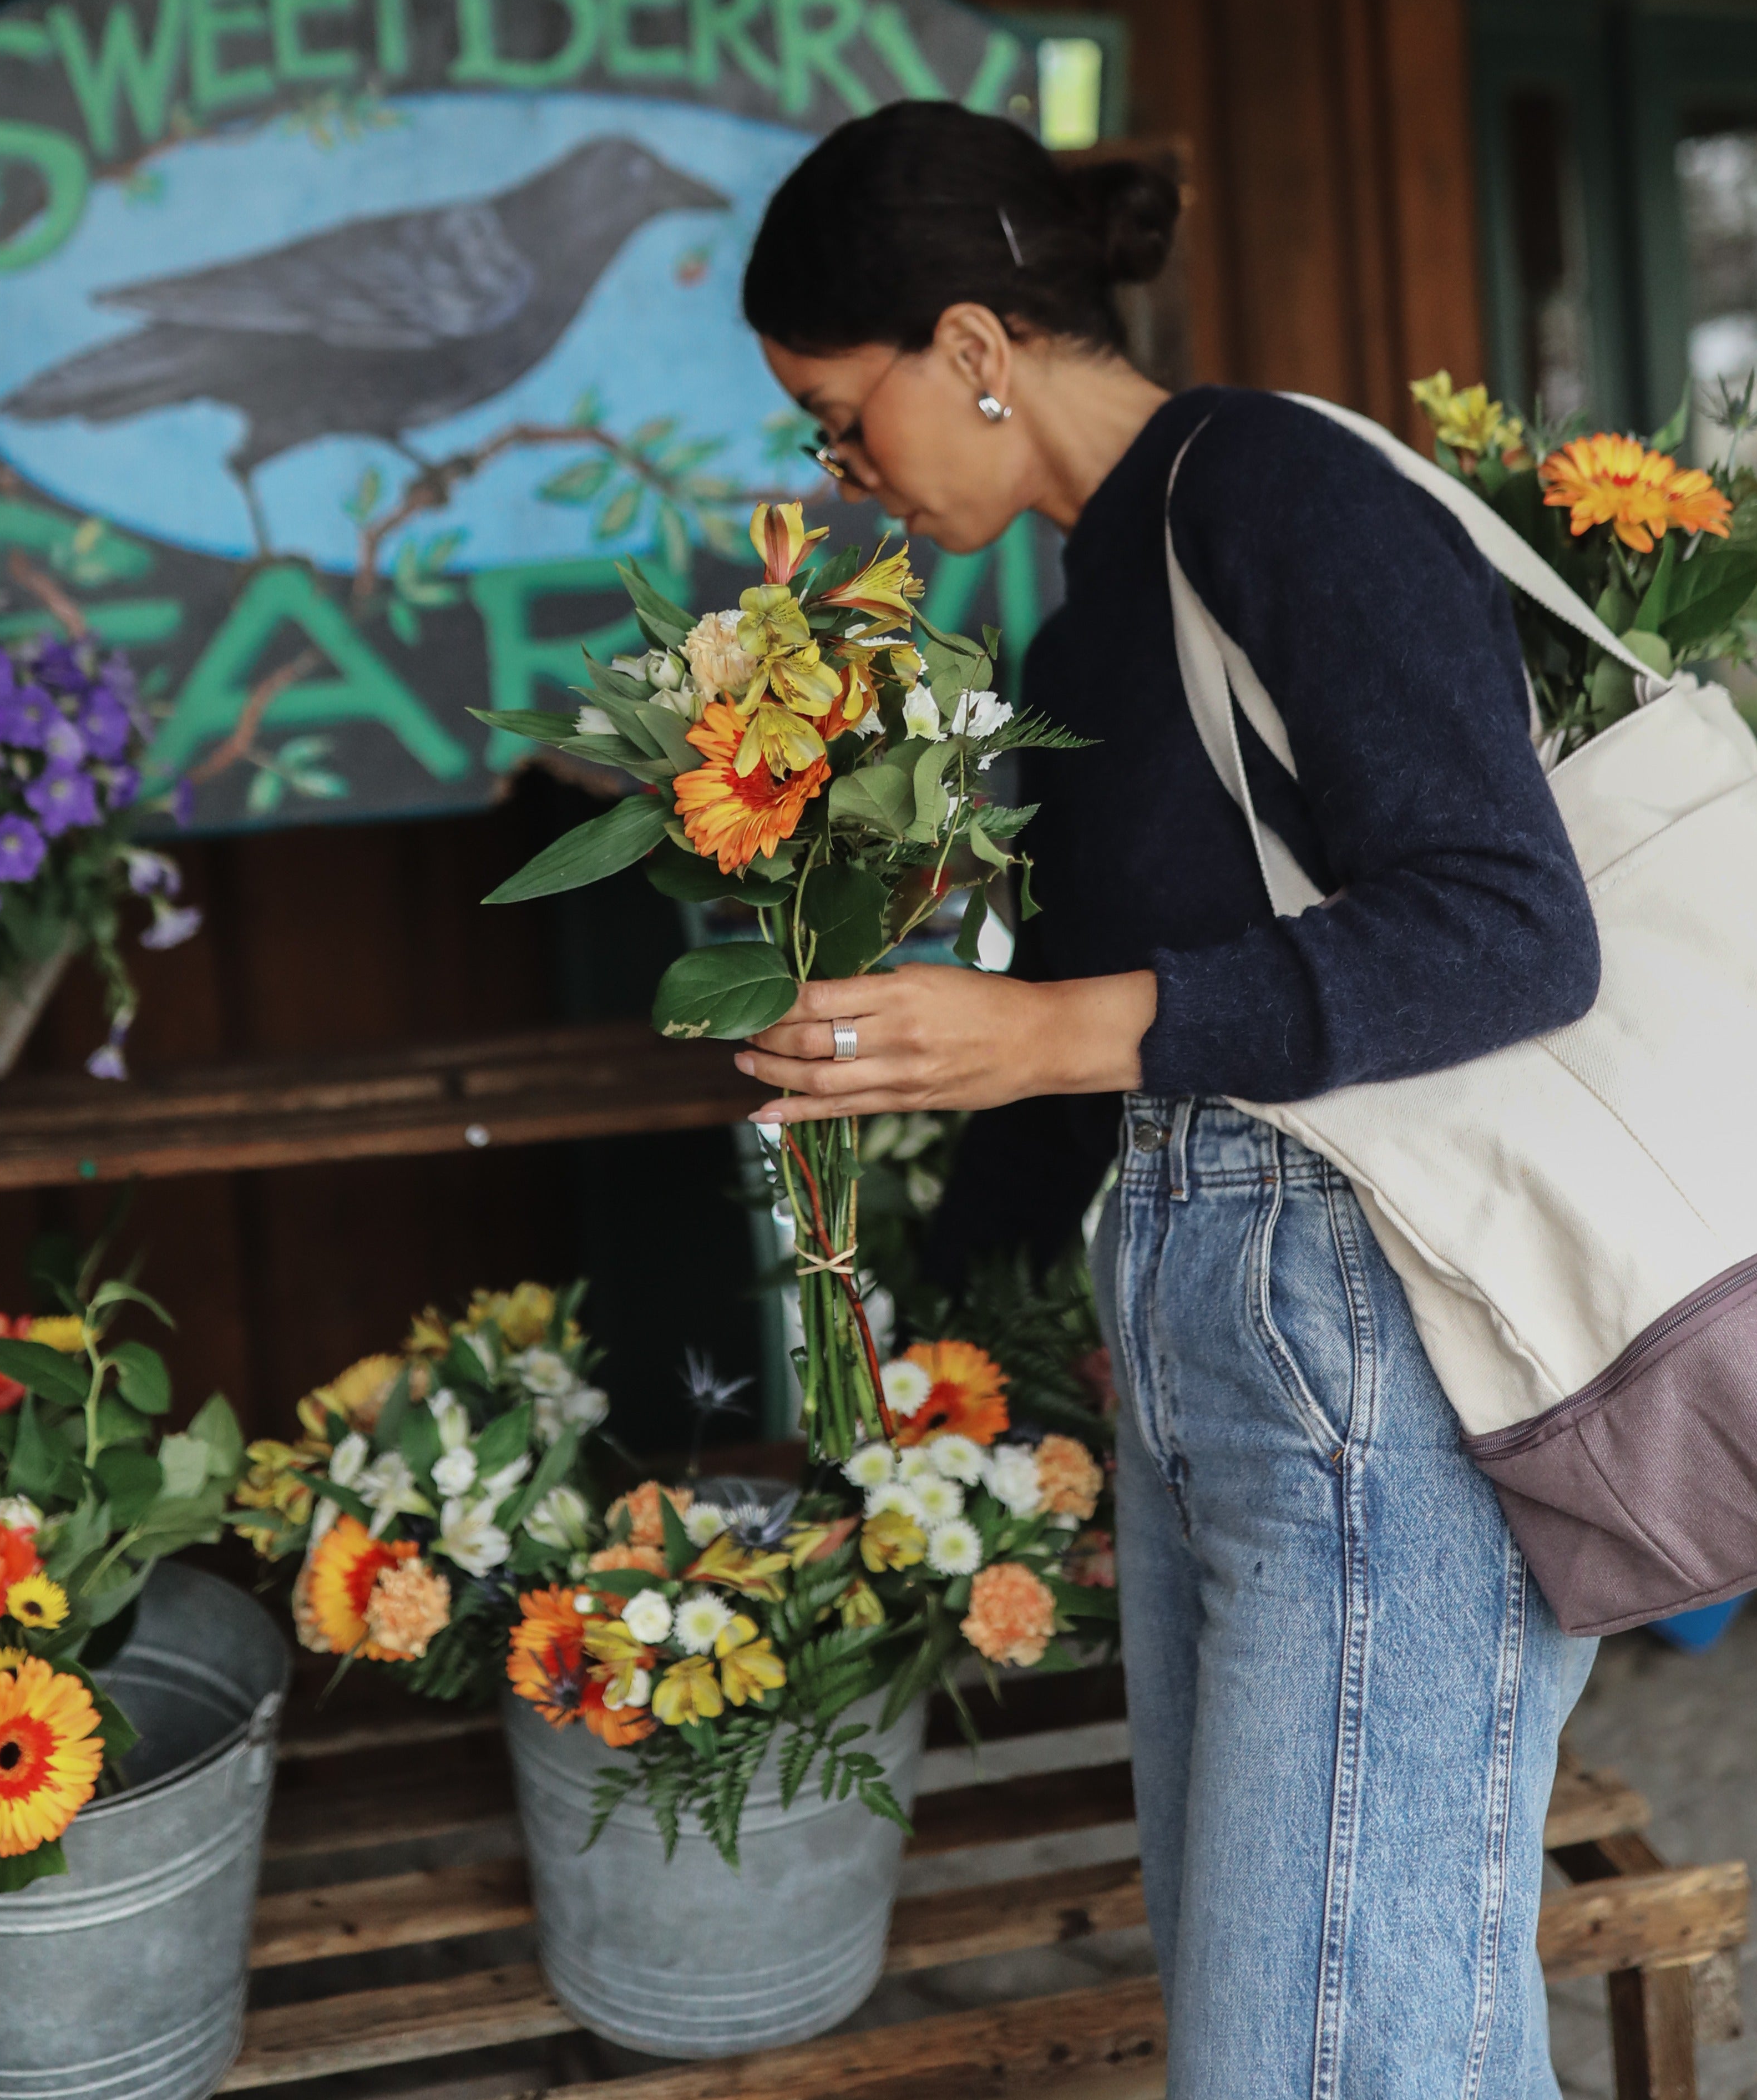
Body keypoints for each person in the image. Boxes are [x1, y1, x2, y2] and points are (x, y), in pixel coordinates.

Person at [732, 100, 1601, 2097]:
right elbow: (1130, 1035)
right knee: (1358, 2040)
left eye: (840, 417)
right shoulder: (1090, 612)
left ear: (968, 346)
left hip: (1379, 1364)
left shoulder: (1275, 491)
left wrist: (1050, 1030)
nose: (841, 475)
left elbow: (1513, 930)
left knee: (1327, 2060)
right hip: (1217, 1364)